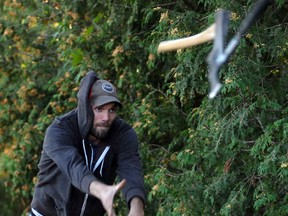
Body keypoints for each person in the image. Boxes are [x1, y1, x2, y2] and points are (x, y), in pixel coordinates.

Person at [29, 71, 146, 216]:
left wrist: (137, 208)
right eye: (99, 109)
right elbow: (74, 168)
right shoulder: (60, 130)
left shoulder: (123, 134)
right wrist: (103, 191)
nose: (106, 117)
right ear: (85, 107)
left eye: (112, 110)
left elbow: (131, 171)